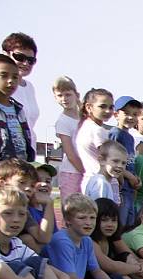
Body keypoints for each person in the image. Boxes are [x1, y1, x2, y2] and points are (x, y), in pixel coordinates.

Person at [43, 193, 124, 279]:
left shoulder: (86, 240)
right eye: (82, 218)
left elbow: (96, 270)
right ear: (68, 221)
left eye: (92, 218)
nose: (88, 223)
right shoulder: (62, 241)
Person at [0, 54, 35, 184]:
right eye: (4, 75)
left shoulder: (18, 109)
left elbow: (25, 145)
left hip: (17, 177)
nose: (11, 81)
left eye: (15, 77)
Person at [0, 158, 54, 252]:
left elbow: (43, 238)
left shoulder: (22, 209)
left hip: (7, 252)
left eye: (32, 185)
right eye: (22, 182)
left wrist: (49, 204)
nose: (28, 188)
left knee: (27, 239)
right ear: (2, 183)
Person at [108, 96, 142, 226]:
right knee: (120, 223)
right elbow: (112, 162)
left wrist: (135, 178)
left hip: (129, 189)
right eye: (126, 113)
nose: (131, 117)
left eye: (134, 114)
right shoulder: (116, 133)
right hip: (120, 188)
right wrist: (129, 177)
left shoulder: (130, 137)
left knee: (129, 223)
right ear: (116, 114)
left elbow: (130, 163)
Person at [2, 33, 39, 146]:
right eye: (20, 57)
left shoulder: (29, 87)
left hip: (27, 153)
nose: (25, 63)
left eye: (31, 60)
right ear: (6, 54)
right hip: (3, 154)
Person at [52, 76, 83, 205]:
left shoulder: (85, 118)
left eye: (68, 94)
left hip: (86, 169)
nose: (64, 99)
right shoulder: (63, 122)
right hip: (72, 172)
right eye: (60, 95)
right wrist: (85, 171)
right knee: (71, 209)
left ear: (77, 95)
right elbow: (70, 154)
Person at [75, 88, 114, 190]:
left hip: (89, 181)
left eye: (111, 107)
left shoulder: (84, 126)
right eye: (102, 106)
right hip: (102, 181)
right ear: (89, 107)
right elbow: (110, 159)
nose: (108, 111)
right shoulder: (98, 130)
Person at [82, 140, 126, 206]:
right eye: (115, 161)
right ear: (101, 160)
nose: (120, 166)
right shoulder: (101, 183)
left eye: (123, 163)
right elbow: (99, 210)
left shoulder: (102, 181)